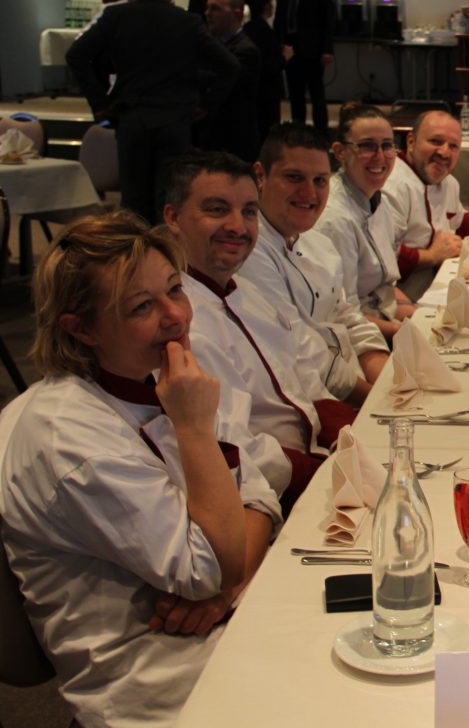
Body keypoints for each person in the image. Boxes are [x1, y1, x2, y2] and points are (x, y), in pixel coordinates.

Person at [0, 211, 281, 727]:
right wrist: (196, 431)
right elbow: (210, 567)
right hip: (157, 679)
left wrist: (225, 586)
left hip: (217, 629)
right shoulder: (71, 439)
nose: (176, 315)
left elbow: (260, 494)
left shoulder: (163, 375)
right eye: (142, 306)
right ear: (80, 329)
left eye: (174, 289)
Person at [163, 151, 356, 510]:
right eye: (217, 209)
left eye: (249, 212)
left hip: (322, 461)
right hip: (270, 496)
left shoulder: (247, 291)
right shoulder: (175, 322)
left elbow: (304, 374)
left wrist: (361, 436)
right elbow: (234, 446)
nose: (238, 226)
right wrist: (324, 476)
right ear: (173, 217)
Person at [66, 0, 240, 224]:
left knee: (133, 203)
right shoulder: (187, 21)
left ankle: (134, 261)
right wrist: (205, 104)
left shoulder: (117, 15)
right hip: (174, 120)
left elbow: (76, 55)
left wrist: (99, 101)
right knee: (170, 201)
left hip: (132, 118)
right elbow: (229, 65)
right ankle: (166, 261)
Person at [240, 123, 390, 407]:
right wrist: (377, 401)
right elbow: (299, 349)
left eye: (320, 181)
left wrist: (387, 379)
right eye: (294, 177)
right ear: (260, 175)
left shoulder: (318, 244)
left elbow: (349, 315)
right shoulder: (249, 253)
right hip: (309, 403)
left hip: (357, 386)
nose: (309, 193)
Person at [383, 109, 469, 300]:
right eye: (435, 141)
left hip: (443, 287)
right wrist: (432, 255)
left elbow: (459, 220)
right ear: (411, 142)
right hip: (405, 300)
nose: (444, 152)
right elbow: (383, 258)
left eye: (453, 146)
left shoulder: (449, 182)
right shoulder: (391, 186)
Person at [314, 103, 415, 339]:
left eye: (387, 145)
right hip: (353, 336)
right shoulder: (334, 218)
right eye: (367, 146)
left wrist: (418, 316)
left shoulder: (378, 201)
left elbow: (386, 288)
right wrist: (403, 333)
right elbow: (344, 314)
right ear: (340, 152)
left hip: (382, 314)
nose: (380, 156)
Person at [274, 0, 335, 138]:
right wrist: (278, 45)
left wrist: (327, 49)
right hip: (290, 48)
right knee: (295, 94)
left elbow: (329, 18)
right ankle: (298, 133)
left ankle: (321, 134)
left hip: (314, 48)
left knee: (317, 94)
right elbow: (280, 18)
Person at [199, 0, 261, 163]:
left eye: (215, 8)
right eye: (207, 8)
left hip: (233, 139)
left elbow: (227, 88)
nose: (207, 13)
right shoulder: (213, 45)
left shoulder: (245, 50)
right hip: (213, 136)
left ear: (237, 14)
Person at [243, 0, 283, 142]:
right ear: (267, 6)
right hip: (268, 91)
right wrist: (285, 57)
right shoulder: (266, 31)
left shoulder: (246, 29)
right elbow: (272, 65)